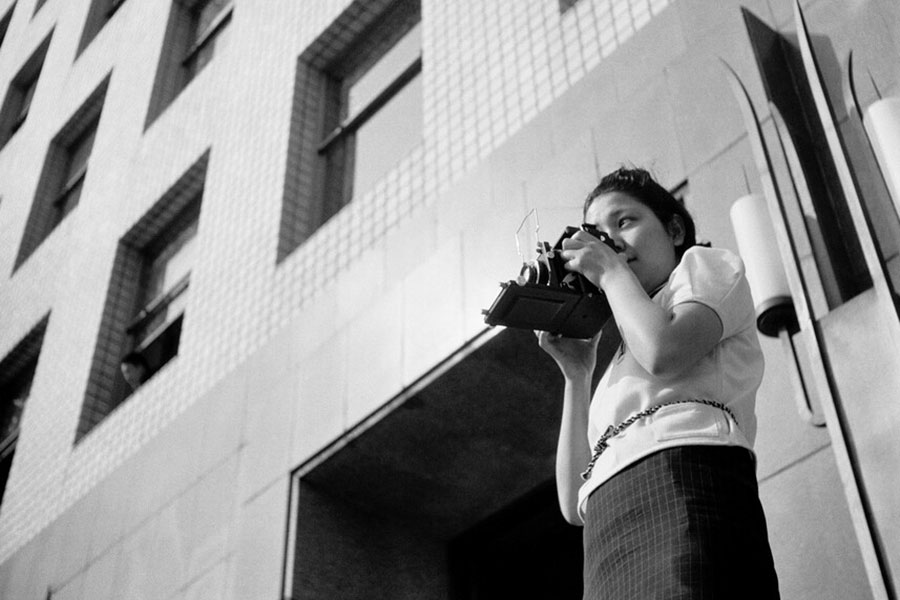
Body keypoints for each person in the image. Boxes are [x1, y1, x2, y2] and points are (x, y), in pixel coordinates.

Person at [537, 167, 780, 599]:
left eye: (624, 222)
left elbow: (664, 352)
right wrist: (578, 376)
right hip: (608, 531)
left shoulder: (705, 267)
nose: (609, 242)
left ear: (673, 228)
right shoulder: (619, 355)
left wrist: (611, 274)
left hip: (684, 478)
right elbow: (574, 499)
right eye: (597, 234)